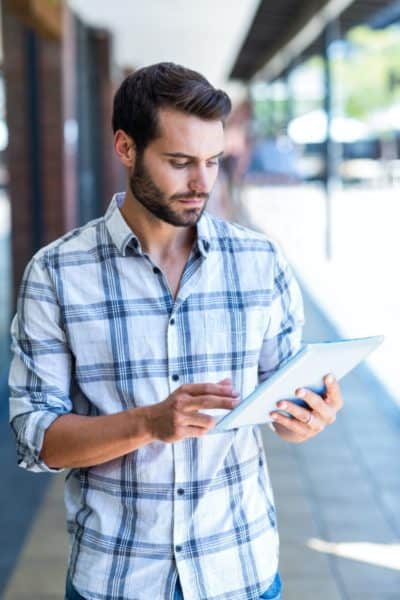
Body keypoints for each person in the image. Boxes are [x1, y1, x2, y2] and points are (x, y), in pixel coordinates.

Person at [9, 62, 343, 600]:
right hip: (116, 580)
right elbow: (36, 439)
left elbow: (282, 400)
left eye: (213, 161)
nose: (201, 182)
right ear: (125, 148)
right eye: (180, 162)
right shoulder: (56, 273)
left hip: (241, 570)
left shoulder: (260, 261)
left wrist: (306, 417)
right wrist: (148, 423)